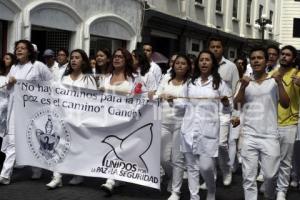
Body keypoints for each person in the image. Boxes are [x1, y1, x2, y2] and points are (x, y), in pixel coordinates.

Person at [234, 46, 289, 200]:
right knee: (248, 177)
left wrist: (279, 84)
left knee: (271, 176)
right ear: (250, 62)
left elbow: (285, 104)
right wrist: (243, 87)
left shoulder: (274, 80)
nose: (256, 61)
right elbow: (236, 105)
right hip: (249, 135)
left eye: (260, 58)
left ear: (266, 61)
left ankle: (270, 195)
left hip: (270, 135)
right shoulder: (244, 82)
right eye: (253, 58)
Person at [180, 50, 231, 200]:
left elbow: (228, 109)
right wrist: (170, 100)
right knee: (191, 168)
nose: (203, 62)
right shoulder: (190, 83)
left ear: (212, 64)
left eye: (207, 60)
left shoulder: (220, 84)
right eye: (201, 60)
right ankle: (194, 196)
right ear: (197, 63)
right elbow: (182, 103)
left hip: (208, 132)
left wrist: (226, 103)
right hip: (188, 130)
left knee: (206, 167)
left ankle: (211, 190)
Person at [0, 40, 52, 185]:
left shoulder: (38, 66)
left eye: (22, 48)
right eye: (17, 48)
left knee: (34, 139)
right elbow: (7, 90)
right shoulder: (14, 68)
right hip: (15, 110)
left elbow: (52, 85)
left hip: (33, 110)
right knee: (12, 141)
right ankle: (4, 175)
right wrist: (10, 84)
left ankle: (37, 169)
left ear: (30, 51)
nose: (19, 51)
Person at [46, 49, 97, 189]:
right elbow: (57, 97)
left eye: (77, 58)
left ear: (83, 61)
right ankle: (57, 177)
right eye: (72, 58)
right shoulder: (65, 78)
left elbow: (93, 101)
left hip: (80, 120)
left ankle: (78, 174)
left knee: (76, 148)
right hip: (64, 119)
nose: (74, 60)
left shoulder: (88, 79)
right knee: (59, 147)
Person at [100, 48, 137, 195]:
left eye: (120, 57)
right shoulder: (106, 77)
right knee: (109, 149)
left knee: (117, 149)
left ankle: (110, 180)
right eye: (115, 56)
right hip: (106, 118)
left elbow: (141, 99)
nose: (116, 59)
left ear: (126, 60)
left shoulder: (133, 79)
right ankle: (119, 177)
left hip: (124, 119)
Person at [154, 54, 191, 200]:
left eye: (183, 63)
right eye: (177, 63)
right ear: (173, 65)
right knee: (162, 157)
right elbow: (156, 95)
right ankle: (171, 177)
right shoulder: (165, 79)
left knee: (177, 158)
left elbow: (192, 103)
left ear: (188, 66)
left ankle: (176, 191)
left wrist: (177, 100)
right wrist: (162, 95)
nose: (180, 66)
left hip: (180, 124)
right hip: (163, 121)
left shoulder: (190, 83)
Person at [269, 45, 300, 200]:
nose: (284, 57)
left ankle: (282, 190)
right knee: (271, 158)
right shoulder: (271, 74)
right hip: (270, 123)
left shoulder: (298, 75)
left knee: (285, 160)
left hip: (289, 123)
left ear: (293, 58)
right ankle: (271, 183)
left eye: (288, 55)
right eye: (282, 54)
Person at [208, 37, 240, 186]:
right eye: (212, 46)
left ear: (223, 49)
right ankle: (212, 175)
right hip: (207, 113)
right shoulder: (205, 65)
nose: (215, 49)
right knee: (209, 145)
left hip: (225, 111)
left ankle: (226, 170)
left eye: (218, 46)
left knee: (221, 144)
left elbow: (236, 90)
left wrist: (235, 114)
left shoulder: (231, 66)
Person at [0, 53, 15, 168]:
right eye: (4, 58)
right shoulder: (2, 75)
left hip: (7, 107)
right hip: (2, 107)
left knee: (4, 134)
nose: (5, 60)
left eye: (8, 58)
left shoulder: (12, 75)